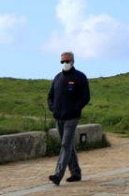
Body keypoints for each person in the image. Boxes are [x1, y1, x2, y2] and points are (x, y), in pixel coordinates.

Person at [47, 51, 90, 186]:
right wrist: (52, 108)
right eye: (62, 62)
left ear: (72, 61)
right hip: (59, 117)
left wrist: (76, 108)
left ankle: (58, 175)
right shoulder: (57, 78)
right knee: (68, 145)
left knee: (65, 145)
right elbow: (50, 96)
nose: (65, 64)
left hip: (72, 117)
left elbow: (85, 96)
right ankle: (76, 173)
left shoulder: (80, 77)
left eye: (67, 61)